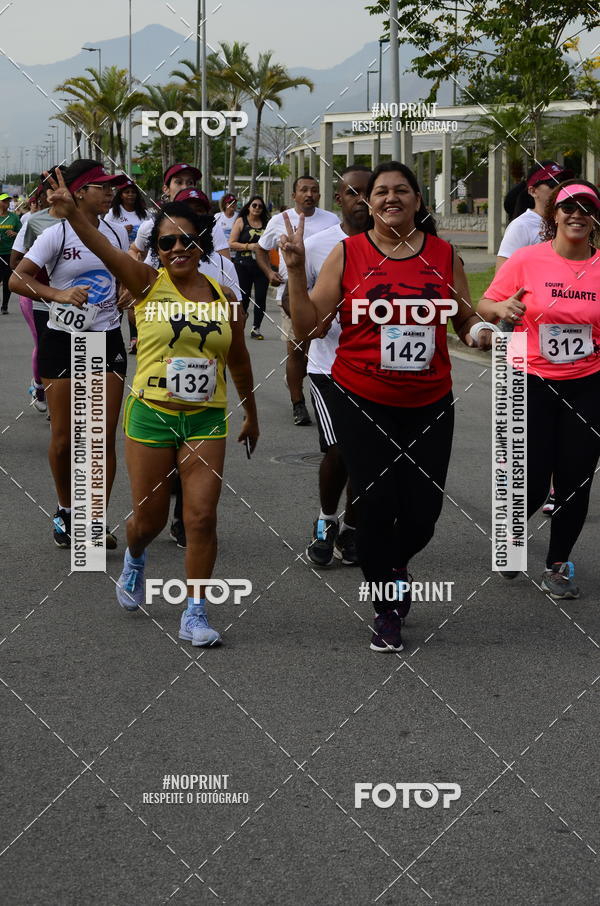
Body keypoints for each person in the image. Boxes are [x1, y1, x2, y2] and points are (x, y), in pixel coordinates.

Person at [46, 167, 259, 646]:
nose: (177, 250)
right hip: (152, 416)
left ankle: (196, 612)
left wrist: (251, 413)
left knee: (202, 517)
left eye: (187, 241)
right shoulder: (145, 283)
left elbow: (239, 359)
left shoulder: (224, 297)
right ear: (157, 251)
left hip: (206, 417)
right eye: (166, 243)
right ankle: (136, 557)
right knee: (149, 521)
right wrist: (75, 212)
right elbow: (102, 248)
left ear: (202, 244)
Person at [283, 161, 481, 652]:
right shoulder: (348, 254)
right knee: (375, 505)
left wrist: (485, 331)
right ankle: (387, 606)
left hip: (430, 400)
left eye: (400, 191)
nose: (390, 198)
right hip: (362, 397)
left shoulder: (442, 253)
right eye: (380, 192)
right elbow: (309, 326)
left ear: (417, 199)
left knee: (423, 513)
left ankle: (394, 564)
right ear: (368, 203)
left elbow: (465, 319)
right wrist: (292, 270)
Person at [476, 179, 600, 600]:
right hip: (530, 379)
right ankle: (509, 541)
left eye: (587, 207)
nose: (577, 215)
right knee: (530, 479)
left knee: (576, 479)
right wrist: (501, 308)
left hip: (587, 384)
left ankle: (558, 566)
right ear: (554, 214)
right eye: (569, 207)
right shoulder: (528, 260)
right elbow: (487, 302)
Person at [9, 159, 130, 549]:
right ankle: (65, 508)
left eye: (112, 186)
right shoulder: (56, 235)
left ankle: (94, 520)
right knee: (65, 438)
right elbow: (16, 278)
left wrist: (128, 293)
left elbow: (127, 276)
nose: (110, 191)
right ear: (80, 192)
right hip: (63, 338)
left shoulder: (117, 232)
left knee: (101, 437)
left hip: (106, 337)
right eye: (102, 186)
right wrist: (57, 294)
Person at [297, 166, 372, 568]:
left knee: (369, 456)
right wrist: (313, 318)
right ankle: (327, 520)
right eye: (352, 193)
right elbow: (296, 303)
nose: (361, 200)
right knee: (342, 449)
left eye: (368, 192)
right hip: (330, 366)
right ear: (338, 199)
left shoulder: (394, 246)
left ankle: (354, 530)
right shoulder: (318, 244)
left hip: (377, 369)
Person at [255, 175, 339, 426]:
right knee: (296, 351)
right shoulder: (279, 220)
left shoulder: (331, 220)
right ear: (294, 195)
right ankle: (298, 403)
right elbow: (260, 248)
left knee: (317, 353)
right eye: (303, 190)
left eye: (314, 190)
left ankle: (314, 390)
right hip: (292, 297)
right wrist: (269, 272)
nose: (309, 194)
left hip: (327, 296)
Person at [10, 172, 64, 412]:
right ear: (41, 197)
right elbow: (16, 265)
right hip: (37, 298)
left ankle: (71, 407)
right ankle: (42, 387)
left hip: (79, 303)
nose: (59, 195)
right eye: (51, 190)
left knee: (77, 352)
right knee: (44, 345)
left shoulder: (89, 224)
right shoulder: (33, 222)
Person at [133, 164, 230, 260]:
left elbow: (225, 265)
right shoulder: (151, 225)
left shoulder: (211, 227)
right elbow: (134, 250)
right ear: (166, 189)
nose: (185, 187)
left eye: (190, 183)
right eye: (179, 182)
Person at [496, 161, 573, 271]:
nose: (560, 188)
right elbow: (502, 275)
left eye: (563, 182)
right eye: (553, 183)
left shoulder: (571, 223)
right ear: (533, 191)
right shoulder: (521, 226)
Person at [229, 195, 270, 340]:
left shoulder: (267, 223)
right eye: (254, 205)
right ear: (249, 207)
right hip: (242, 265)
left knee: (260, 297)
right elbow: (231, 243)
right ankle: (240, 326)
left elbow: (273, 242)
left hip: (262, 266)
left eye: (260, 206)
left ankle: (256, 328)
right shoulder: (241, 221)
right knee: (244, 297)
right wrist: (249, 246)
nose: (257, 208)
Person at [0, 192, 21, 313]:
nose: (6, 203)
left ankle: (4, 306)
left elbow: (22, 233)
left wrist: (15, 234)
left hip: (9, 252)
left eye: (8, 201)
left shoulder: (13, 217)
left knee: (7, 280)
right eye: (4, 201)